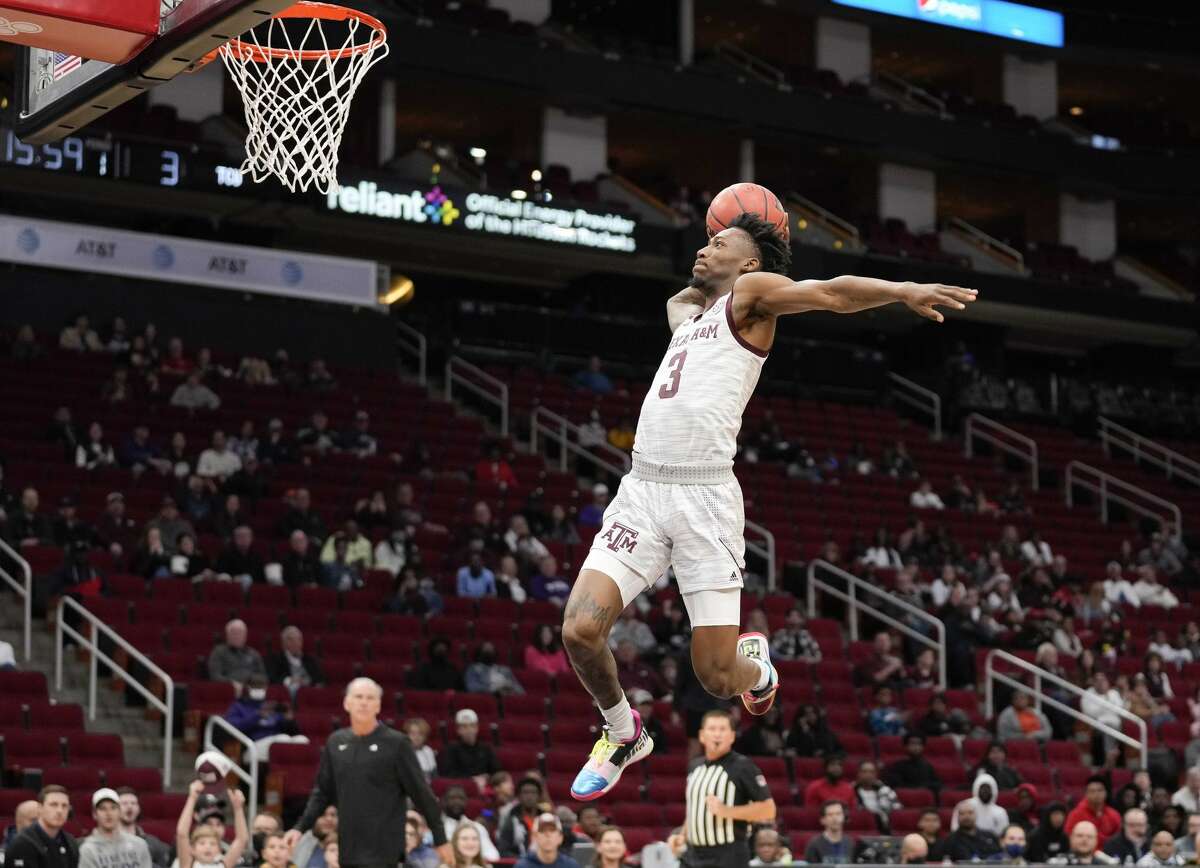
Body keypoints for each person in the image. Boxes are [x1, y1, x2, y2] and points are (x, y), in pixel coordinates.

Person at [558, 216, 976, 798]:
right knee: (579, 630)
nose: (704, 249)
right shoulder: (694, 316)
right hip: (643, 491)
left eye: (719, 244)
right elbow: (679, 301)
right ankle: (624, 732)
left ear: (751, 266)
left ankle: (759, 666)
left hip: (704, 499)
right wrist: (709, 273)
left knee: (717, 676)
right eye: (706, 242)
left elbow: (830, 293)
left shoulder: (752, 298)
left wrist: (901, 291)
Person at [282, 678, 452, 867]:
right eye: (358, 697)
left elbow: (421, 793)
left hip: (385, 849)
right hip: (349, 847)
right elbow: (322, 792)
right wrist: (300, 828)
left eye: (370, 698)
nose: (364, 702)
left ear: (378, 705)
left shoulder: (397, 743)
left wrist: (440, 838)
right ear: (347, 703)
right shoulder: (335, 742)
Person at [681, 710, 775, 867]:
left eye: (722, 729)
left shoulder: (743, 766)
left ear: (732, 736)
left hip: (728, 855)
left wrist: (726, 811)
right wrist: (683, 835)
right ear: (702, 736)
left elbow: (768, 810)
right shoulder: (694, 766)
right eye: (712, 729)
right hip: (693, 855)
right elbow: (694, 808)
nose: (717, 734)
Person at [176, 782, 247, 868]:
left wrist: (238, 809)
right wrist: (192, 798)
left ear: (219, 850)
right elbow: (181, 834)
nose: (208, 847)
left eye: (213, 844)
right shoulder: (188, 864)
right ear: (192, 849)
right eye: (202, 843)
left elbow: (242, 839)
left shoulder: (223, 865)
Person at [4, 786, 76, 868]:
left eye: (64, 806)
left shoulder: (70, 842)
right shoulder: (22, 844)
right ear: (40, 808)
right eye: (53, 805)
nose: (60, 811)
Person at [79, 788, 151, 868]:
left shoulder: (139, 845)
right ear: (95, 814)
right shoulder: (88, 849)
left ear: (120, 812)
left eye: (113, 808)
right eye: (103, 808)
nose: (108, 813)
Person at [438, 786, 500, 862]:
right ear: (444, 801)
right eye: (452, 798)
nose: (457, 802)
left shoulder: (478, 828)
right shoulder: (437, 828)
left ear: (466, 801)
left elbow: (493, 855)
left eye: (461, 798)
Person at [115, 788, 171, 868]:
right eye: (124, 803)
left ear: (139, 809)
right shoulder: (105, 841)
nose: (130, 806)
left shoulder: (151, 842)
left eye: (133, 803)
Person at [438, 709, 500, 781]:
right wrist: (472, 780)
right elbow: (448, 774)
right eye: (464, 727)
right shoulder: (451, 750)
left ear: (477, 728)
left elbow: (497, 772)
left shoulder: (486, 749)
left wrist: (487, 778)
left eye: (472, 726)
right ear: (458, 730)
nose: (469, 730)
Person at [208, 619, 267, 689]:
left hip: (252, 689)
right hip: (227, 690)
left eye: (240, 633)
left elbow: (263, 676)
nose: (237, 636)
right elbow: (215, 676)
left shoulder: (254, 654)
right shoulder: (218, 652)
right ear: (227, 635)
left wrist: (251, 682)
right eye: (234, 633)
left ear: (245, 635)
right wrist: (231, 684)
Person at [497, 777, 546, 858]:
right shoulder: (510, 821)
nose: (529, 796)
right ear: (519, 796)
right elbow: (503, 851)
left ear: (539, 796)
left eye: (533, 792)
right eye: (525, 792)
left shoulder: (546, 820)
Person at [265, 627, 324, 693]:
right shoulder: (276, 659)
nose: (296, 643)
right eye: (291, 640)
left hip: (309, 691)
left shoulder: (309, 660)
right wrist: (290, 680)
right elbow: (272, 679)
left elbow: (319, 679)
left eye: (299, 639)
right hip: (288, 691)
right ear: (284, 642)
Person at [1067, 777, 1123, 845]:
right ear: (1086, 794)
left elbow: (1121, 837)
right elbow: (1069, 836)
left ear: (1106, 793)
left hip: (1109, 852)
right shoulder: (1075, 814)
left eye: (1100, 790)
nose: (1097, 794)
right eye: (1092, 791)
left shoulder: (1114, 814)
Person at [514, 814, 579, 868]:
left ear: (560, 838)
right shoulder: (522, 866)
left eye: (552, 830)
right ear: (534, 837)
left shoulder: (571, 866)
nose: (547, 834)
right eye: (542, 830)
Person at [854, 760, 901, 833]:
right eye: (864, 771)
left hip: (885, 828)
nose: (868, 775)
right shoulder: (852, 791)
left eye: (871, 772)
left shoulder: (886, 790)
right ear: (858, 774)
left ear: (876, 774)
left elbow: (898, 810)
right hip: (864, 828)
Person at [803, 801, 855, 865]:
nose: (835, 818)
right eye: (830, 814)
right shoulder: (814, 845)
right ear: (822, 820)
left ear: (844, 817)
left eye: (838, 814)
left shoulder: (851, 843)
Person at [1051, 821, 1117, 865]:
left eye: (1089, 837)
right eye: (1080, 835)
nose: (1084, 840)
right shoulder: (1057, 864)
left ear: (1096, 841)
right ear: (1071, 838)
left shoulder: (1106, 865)